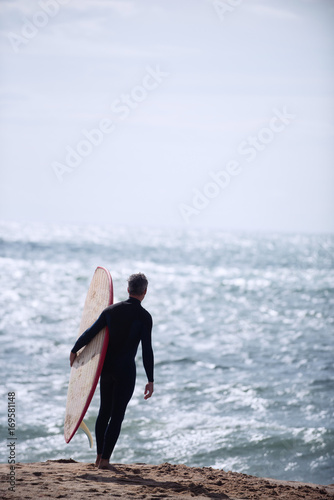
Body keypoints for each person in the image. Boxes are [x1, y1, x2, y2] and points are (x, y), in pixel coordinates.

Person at [69, 272, 154, 470]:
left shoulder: (111, 311)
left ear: (128, 290)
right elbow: (147, 349)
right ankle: (106, 460)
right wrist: (150, 379)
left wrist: (75, 350)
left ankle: (99, 457)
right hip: (126, 371)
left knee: (104, 411)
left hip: (106, 369)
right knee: (117, 415)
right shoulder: (145, 317)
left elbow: (90, 332)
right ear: (144, 292)